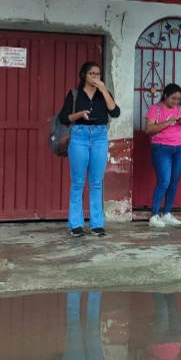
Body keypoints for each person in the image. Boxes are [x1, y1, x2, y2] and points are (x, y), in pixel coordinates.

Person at [59, 61, 120, 236]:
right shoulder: (75, 94)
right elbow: (64, 118)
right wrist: (79, 115)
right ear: (83, 75)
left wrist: (104, 90)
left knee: (96, 182)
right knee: (78, 182)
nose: (96, 77)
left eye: (98, 74)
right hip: (79, 135)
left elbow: (115, 113)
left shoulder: (104, 93)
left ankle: (96, 224)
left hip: (100, 136)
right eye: (92, 74)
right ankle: (75, 224)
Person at [145, 83, 181, 228]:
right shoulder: (156, 109)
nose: (175, 102)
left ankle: (167, 213)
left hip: (179, 149)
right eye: (173, 99)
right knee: (164, 181)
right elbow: (148, 129)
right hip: (161, 148)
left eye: (178, 99)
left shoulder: (180, 110)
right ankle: (154, 215)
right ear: (165, 96)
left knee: (173, 182)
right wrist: (167, 122)